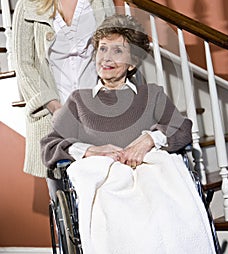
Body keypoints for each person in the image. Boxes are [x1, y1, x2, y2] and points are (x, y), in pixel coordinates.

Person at [41, 14, 216, 254]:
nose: (107, 58)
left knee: (165, 215)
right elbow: (50, 145)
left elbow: (182, 128)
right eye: (102, 49)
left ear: (132, 62)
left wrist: (149, 139)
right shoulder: (79, 101)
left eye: (117, 51)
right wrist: (92, 151)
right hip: (107, 192)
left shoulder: (150, 96)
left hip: (153, 189)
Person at [12, 0, 115, 177]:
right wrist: (57, 109)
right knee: (63, 190)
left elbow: (116, 53)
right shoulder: (30, 1)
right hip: (54, 112)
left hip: (98, 110)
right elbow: (25, 64)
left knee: (110, 182)